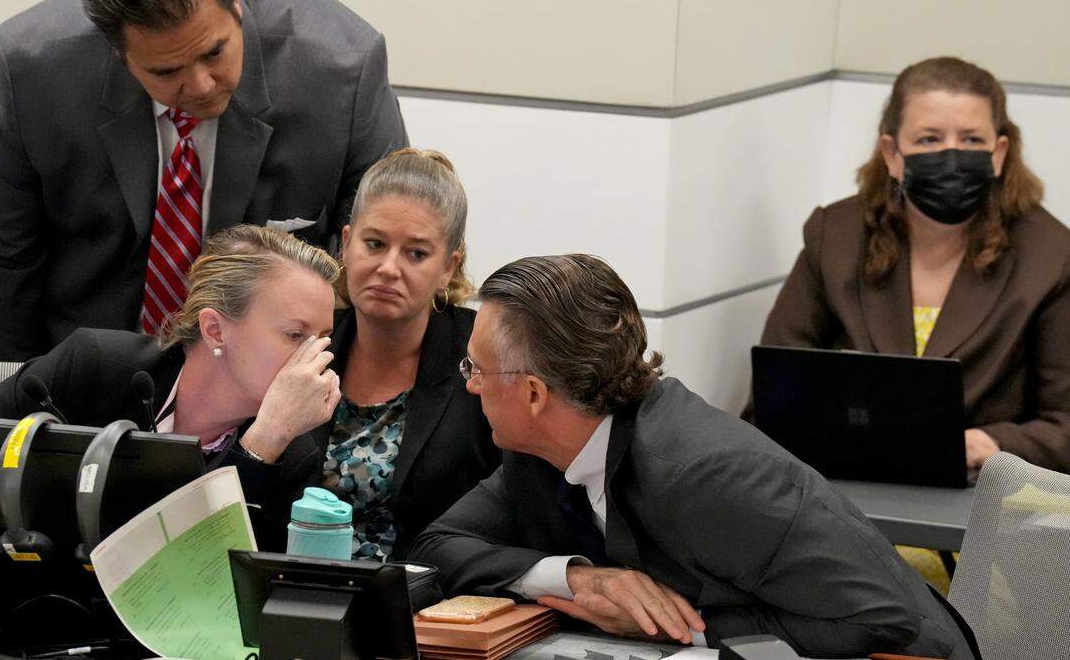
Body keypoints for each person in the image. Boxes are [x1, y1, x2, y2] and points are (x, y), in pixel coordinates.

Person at [410, 255, 979, 659]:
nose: (470, 386)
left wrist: (676, 628)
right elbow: (438, 545)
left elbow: (882, 620)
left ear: (535, 395)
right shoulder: (537, 451)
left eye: (476, 369)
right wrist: (579, 580)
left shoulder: (706, 474)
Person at [0, 0, 407, 362]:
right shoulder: (32, 72)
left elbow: (394, 253)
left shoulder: (341, 71)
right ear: (118, 51)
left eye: (214, 52)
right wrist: (22, 404)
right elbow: (2, 268)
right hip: (81, 366)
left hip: (273, 378)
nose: (201, 85)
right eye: (167, 71)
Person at [755, 56, 1070, 473]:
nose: (952, 155)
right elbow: (776, 391)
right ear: (892, 153)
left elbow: (1064, 424)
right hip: (844, 486)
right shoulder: (835, 236)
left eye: (972, 140)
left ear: (999, 153)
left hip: (981, 500)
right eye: (929, 139)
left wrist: (990, 443)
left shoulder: (1050, 255)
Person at [0, 225, 342, 551]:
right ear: (215, 329)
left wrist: (261, 446)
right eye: (295, 335)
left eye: (323, 339)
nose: (315, 357)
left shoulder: (290, 453)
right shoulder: (93, 365)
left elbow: (189, 578)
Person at [318, 148, 500, 560]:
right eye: (374, 244)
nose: (388, 267)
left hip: (432, 600)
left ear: (448, 267)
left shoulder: (484, 358)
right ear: (346, 244)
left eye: (416, 253)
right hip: (298, 593)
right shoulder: (308, 342)